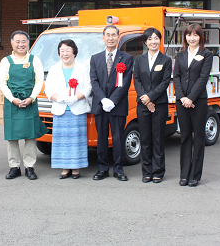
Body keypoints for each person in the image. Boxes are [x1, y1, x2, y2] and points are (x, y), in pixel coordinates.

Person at [0, 30, 47, 180]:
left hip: (29, 101)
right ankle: (14, 166)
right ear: (12, 43)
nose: (21, 44)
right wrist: (12, 98)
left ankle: (29, 167)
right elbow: (2, 82)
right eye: (17, 41)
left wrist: (31, 98)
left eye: (23, 41)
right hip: (12, 102)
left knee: (30, 136)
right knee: (12, 137)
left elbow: (39, 81)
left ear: (28, 43)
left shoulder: (35, 60)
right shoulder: (6, 61)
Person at [90, 25, 134, 181]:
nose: (110, 38)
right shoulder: (95, 58)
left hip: (118, 105)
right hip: (100, 105)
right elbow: (94, 81)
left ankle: (118, 169)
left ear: (118, 37)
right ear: (103, 38)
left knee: (118, 137)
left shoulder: (127, 58)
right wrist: (103, 99)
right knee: (101, 137)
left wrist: (113, 100)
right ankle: (102, 168)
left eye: (113, 35)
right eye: (107, 35)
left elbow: (126, 82)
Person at [44, 40, 92, 179]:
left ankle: (76, 168)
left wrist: (76, 97)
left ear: (74, 52)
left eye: (68, 50)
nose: (65, 53)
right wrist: (57, 98)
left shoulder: (82, 68)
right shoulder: (54, 69)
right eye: (62, 50)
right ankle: (65, 167)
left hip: (77, 110)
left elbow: (88, 87)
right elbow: (48, 89)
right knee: (62, 141)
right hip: (60, 110)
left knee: (76, 141)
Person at [173, 24, 213, 187]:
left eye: (195, 35)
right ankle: (184, 174)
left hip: (199, 101)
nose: (192, 38)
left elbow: (203, 78)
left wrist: (191, 98)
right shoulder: (180, 55)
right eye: (189, 35)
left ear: (200, 37)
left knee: (198, 137)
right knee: (185, 137)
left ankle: (195, 175)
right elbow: (176, 77)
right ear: (185, 37)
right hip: (182, 102)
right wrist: (182, 97)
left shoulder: (207, 54)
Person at [133, 28, 172, 184]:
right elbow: (137, 80)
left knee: (158, 138)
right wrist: (146, 100)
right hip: (142, 105)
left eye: (156, 38)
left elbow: (165, 82)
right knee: (145, 139)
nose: (153, 41)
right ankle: (146, 171)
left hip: (160, 104)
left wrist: (151, 97)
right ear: (145, 41)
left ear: (160, 40)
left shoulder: (166, 60)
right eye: (150, 39)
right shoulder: (139, 60)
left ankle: (158, 171)